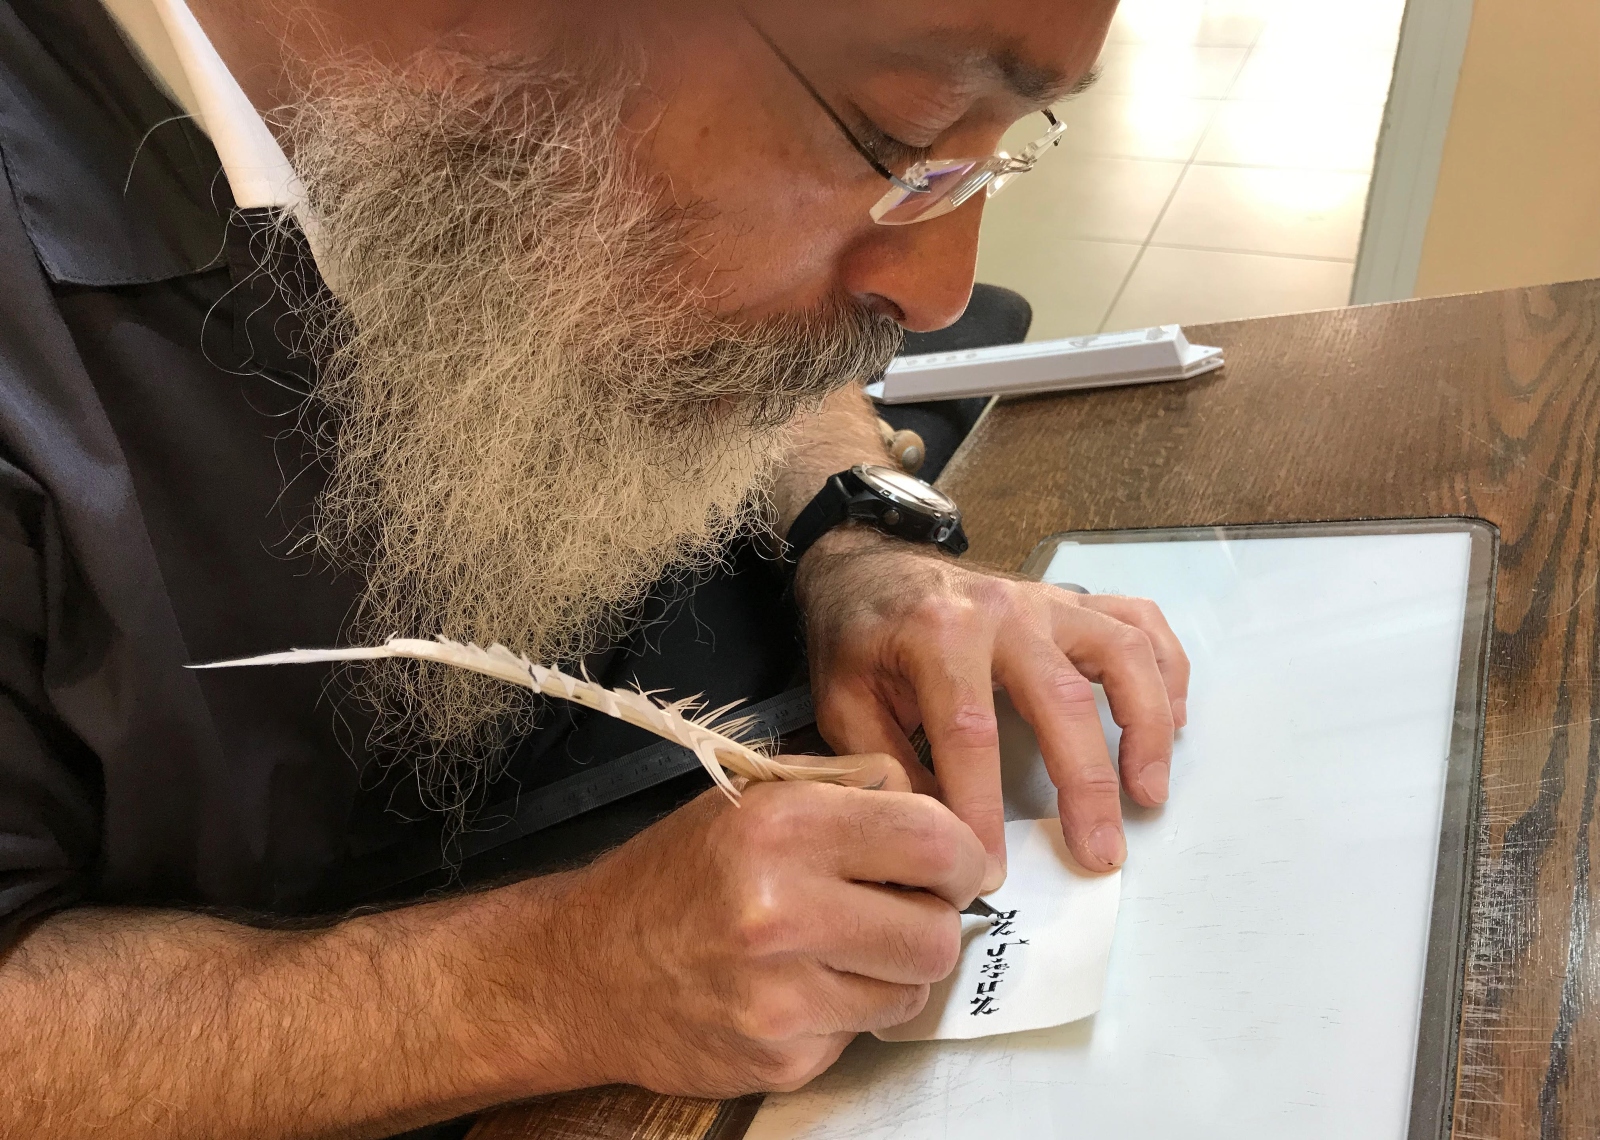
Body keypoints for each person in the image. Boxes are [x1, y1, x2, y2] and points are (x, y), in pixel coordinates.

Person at [0, 0, 1190, 1136]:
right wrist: (554, 978)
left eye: (988, 152)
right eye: (902, 136)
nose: (938, 292)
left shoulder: (488, 120)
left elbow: (696, 311)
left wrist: (856, 533)